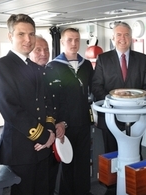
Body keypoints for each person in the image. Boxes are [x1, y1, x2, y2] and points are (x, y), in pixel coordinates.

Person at [0, 13, 56, 195]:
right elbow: (12, 111)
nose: (27, 39)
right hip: (20, 149)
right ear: (10, 36)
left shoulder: (36, 68)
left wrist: (49, 129)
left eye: (31, 34)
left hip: (43, 147)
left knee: (43, 190)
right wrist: (43, 136)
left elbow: (47, 102)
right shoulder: (1, 67)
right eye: (21, 34)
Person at [91, 22, 146, 154]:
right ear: (113, 38)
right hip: (110, 116)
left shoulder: (143, 59)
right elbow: (96, 86)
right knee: (111, 155)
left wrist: (134, 99)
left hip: (135, 117)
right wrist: (114, 101)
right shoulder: (103, 59)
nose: (122, 38)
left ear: (131, 38)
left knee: (134, 154)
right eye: (119, 35)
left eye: (126, 35)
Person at [46, 27, 94, 195]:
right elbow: (50, 100)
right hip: (63, 124)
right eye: (69, 40)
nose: (74, 43)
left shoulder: (87, 65)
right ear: (62, 42)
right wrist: (58, 122)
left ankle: (84, 191)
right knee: (66, 161)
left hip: (83, 121)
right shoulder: (53, 67)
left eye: (76, 39)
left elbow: (93, 91)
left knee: (82, 160)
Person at [29, 35, 63, 195]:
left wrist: (60, 124)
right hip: (32, 142)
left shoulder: (51, 71)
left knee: (49, 181)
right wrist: (43, 136)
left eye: (47, 49)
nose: (44, 53)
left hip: (51, 137)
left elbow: (56, 104)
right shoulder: (23, 75)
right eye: (38, 50)